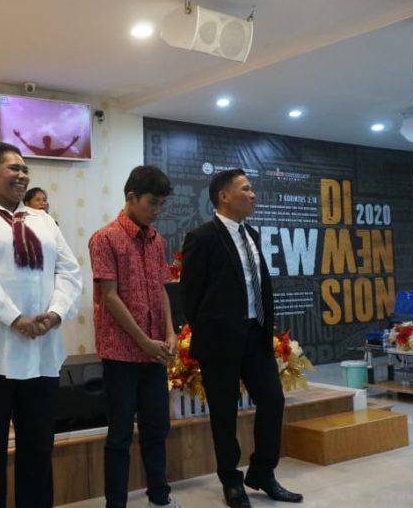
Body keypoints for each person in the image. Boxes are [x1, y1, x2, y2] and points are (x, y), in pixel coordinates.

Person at [0, 141, 83, 508]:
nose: (22, 174)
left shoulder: (44, 221)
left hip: (42, 354)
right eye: (12, 168)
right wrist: (15, 318)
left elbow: (70, 272)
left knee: (38, 450)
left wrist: (55, 313)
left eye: (25, 168)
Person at [180, 169, 301, 508]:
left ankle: (262, 472)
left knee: (273, 400)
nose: (253, 194)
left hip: (255, 336)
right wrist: (210, 331)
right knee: (224, 414)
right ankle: (231, 481)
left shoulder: (252, 234)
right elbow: (189, 296)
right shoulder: (202, 237)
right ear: (224, 196)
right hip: (219, 342)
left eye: (252, 189)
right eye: (245, 189)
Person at [88, 165, 180, 508]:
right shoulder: (105, 238)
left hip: (155, 351)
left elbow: (162, 289)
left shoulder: (157, 241)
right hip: (121, 353)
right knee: (120, 434)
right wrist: (142, 340)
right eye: (152, 203)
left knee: (157, 428)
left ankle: (160, 496)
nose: (157, 211)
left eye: (162, 205)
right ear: (131, 197)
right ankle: (116, 503)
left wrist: (170, 331)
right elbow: (110, 296)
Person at [12, 129, 80, 157]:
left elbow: (27, 145)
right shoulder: (53, 152)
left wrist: (19, 137)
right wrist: (19, 137)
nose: (47, 142)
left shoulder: (40, 151)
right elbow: (27, 145)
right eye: (46, 140)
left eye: (48, 140)